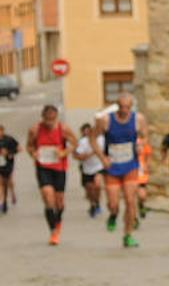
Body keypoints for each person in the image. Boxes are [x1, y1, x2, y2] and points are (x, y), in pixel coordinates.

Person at [96, 93, 146, 248]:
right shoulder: (106, 120)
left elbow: (144, 136)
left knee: (131, 202)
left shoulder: (138, 119)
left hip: (130, 164)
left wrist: (140, 144)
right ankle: (113, 215)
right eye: (121, 107)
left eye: (127, 107)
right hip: (112, 167)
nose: (124, 110)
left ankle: (128, 234)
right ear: (117, 106)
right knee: (113, 204)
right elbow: (92, 138)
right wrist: (102, 158)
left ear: (131, 107)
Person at [27, 105, 76, 245]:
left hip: (59, 167)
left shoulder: (63, 129)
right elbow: (29, 145)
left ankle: (58, 221)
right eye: (47, 119)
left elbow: (74, 143)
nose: (49, 122)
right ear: (42, 118)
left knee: (59, 202)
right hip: (43, 167)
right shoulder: (35, 130)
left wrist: (64, 152)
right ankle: (53, 231)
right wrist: (33, 153)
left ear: (56, 118)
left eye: (52, 119)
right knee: (48, 197)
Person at [73, 123, 105, 217]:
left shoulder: (102, 139)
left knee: (97, 185)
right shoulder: (83, 142)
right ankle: (93, 204)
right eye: (85, 132)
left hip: (99, 167)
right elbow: (76, 155)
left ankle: (97, 202)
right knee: (90, 189)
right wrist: (87, 155)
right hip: (87, 169)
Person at [0, 123, 19, 214]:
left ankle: (12, 194)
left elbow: (19, 148)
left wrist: (10, 152)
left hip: (7, 164)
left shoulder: (9, 139)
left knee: (9, 182)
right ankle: (2, 202)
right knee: (0, 183)